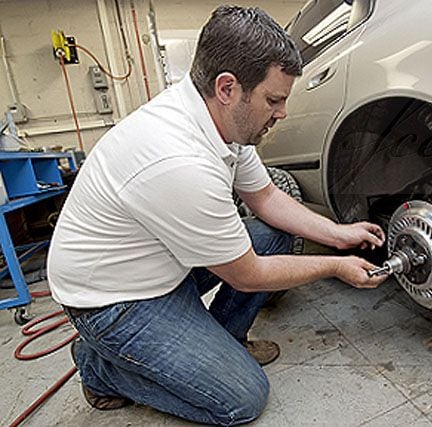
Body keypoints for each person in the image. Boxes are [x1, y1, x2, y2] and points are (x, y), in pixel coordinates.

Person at [47, 5, 387, 426]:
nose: (281, 112)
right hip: (114, 302)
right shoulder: (178, 159)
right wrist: (335, 265)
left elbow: (265, 198)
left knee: (272, 233)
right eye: (274, 99)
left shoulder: (223, 125)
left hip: (159, 264)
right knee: (241, 399)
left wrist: (338, 233)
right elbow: (247, 275)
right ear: (228, 87)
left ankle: (223, 343)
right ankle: (100, 367)